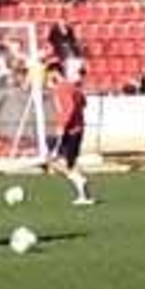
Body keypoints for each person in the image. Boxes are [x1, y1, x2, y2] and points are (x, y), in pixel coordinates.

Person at [49, 65, 95, 206]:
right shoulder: (73, 87)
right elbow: (83, 103)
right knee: (71, 162)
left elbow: (69, 107)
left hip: (69, 130)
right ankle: (84, 195)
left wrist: (62, 125)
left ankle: (79, 180)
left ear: (55, 73)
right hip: (78, 129)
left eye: (49, 74)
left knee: (53, 161)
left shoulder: (61, 88)